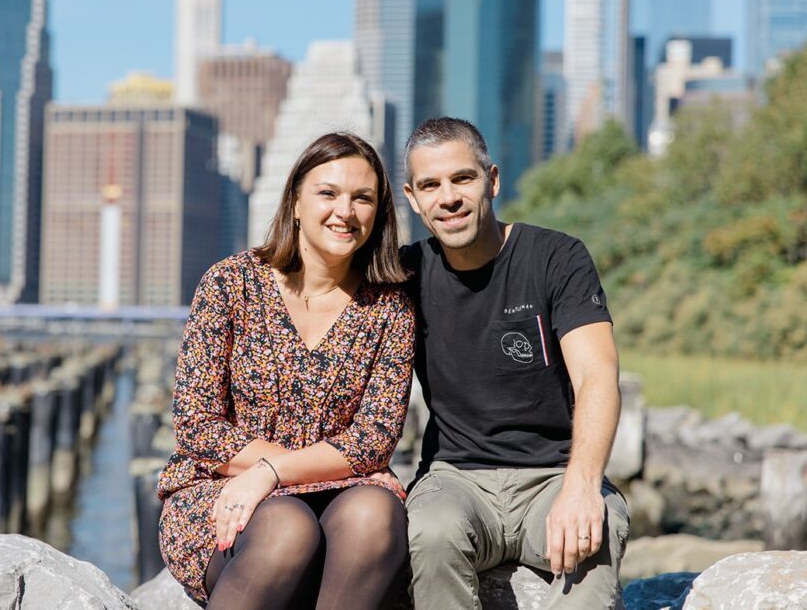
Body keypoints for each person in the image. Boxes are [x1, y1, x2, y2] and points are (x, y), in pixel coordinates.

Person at [157, 132, 416, 609]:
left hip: (340, 490)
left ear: (379, 214)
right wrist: (267, 474)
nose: (346, 211)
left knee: (376, 515)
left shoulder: (390, 309)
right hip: (225, 483)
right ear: (295, 201)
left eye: (363, 198)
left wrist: (276, 471)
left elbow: (373, 439)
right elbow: (196, 423)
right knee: (289, 529)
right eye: (328, 193)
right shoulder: (230, 283)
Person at [400, 117, 630, 609]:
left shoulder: (555, 257)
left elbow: (597, 375)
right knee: (431, 532)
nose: (449, 197)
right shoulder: (404, 274)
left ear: (493, 180)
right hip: (454, 478)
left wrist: (583, 486)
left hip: (553, 475)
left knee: (596, 533)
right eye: (430, 185)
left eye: (463, 178)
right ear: (413, 198)